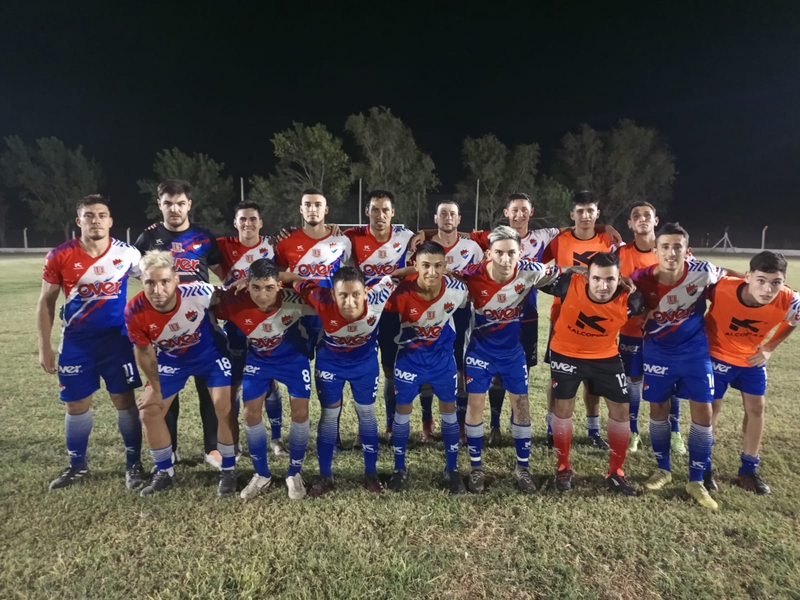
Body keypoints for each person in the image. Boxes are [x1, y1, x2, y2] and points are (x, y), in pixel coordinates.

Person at [471, 192, 621, 447]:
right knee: (495, 375)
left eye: (524, 210)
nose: (520, 214)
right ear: (506, 212)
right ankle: (495, 425)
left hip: (526, 314)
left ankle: (516, 423)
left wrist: (603, 226)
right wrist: (426, 234)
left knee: (521, 372)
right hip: (496, 315)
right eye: (514, 209)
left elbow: (574, 226)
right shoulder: (492, 237)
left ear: (531, 212)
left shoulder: (545, 236)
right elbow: (457, 233)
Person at [38, 195, 145, 490]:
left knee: (124, 401)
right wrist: (45, 347)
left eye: (101, 215)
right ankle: (77, 465)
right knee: (76, 405)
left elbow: (154, 282)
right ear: (79, 221)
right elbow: (46, 303)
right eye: (89, 215)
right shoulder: (59, 255)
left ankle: (133, 464)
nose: (95, 220)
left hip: (117, 342)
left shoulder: (128, 254)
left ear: (110, 221)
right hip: (76, 343)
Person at [631, 222, 738, 509]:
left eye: (677, 246)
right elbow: (619, 294)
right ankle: (663, 470)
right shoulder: (640, 278)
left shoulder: (702, 272)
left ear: (686, 250)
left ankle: (696, 479)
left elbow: (735, 280)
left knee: (703, 411)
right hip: (657, 353)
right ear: (656, 250)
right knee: (657, 409)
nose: (671, 252)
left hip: (695, 353)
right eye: (665, 246)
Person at [124, 251, 236, 497]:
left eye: (164, 281)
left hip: (212, 357)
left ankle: (229, 469)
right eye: (150, 283)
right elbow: (143, 351)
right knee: (149, 411)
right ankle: (165, 471)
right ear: (141, 282)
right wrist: (155, 386)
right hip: (172, 360)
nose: (158, 289)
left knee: (223, 407)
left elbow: (228, 297)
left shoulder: (198, 292)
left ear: (176, 280)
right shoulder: (134, 310)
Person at [459, 226, 561, 494]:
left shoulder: (530, 270)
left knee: (522, 408)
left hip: (513, 354)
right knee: (475, 406)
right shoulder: (471, 274)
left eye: (511, 253)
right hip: (479, 352)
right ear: (488, 253)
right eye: (499, 253)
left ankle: (522, 468)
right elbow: (439, 276)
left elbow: (566, 272)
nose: (505, 259)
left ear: (521, 252)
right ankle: (476, 467)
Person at [133, 179, 222, 468]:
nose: (175, 208)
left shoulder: (205, 237)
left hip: (201, 324)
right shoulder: (147, 240)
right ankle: (170, 449)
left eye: (180, 203)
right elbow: (139, 276)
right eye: (168, 203)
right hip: (164, 327)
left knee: (208, 387)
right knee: (165, 386)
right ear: (160, 204)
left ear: (189, 205)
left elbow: (223, 271)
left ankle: (212, 448)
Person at [291, 266, 397, 497]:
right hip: (330, 365)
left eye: (356, 294)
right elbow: (293, 279)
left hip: (365, 367)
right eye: (343, 295)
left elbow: (403, 273)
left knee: (366, 414)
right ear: (333, 294)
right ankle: (325, 476)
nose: (349, 302)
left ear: (366, 292)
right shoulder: (319, 296)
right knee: (329, 415)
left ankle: (371, 474)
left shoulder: (379, 294)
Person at [214, 259, 314, 500]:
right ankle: (262, 474)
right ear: (247, 284)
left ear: (279, 285)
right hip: (258, 361)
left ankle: (294, 473)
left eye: (269, 287)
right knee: (250, 413)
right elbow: (205, 307)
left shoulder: (295, 299)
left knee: (300, 414)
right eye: (256, 287)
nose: (262, 294)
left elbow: (314, 284)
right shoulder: (234, 302)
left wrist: (290, 278)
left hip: (293, 361)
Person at [547, 253, 643, 495]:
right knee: (563, 408)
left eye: (610, 279)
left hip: (605, 356)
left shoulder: (632, 299)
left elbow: (646, 312)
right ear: (586, 276)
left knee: (622, 409)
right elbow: (536, 274)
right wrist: (574, 270)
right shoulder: (569, 283)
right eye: (597, 278)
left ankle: (616, 471)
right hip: (566, 353)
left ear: (619, 278)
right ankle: (563, 466)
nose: (603, 286)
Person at [705, 251, 799, 494]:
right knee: (711, 407)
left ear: (784, 282)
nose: (768, 289)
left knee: (756, 408)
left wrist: (770, 346)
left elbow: (792, 320)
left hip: (750, 358)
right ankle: (703, 465)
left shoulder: (790, 299)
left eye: (775, 282)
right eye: (761, 280)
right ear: (748, 277)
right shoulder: (722, 289)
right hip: (716, 354)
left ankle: (748, 469)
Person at [384, 241, 469, 493]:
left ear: (445, 266)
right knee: (402, 413)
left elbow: (467, 303)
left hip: (443, 361)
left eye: (437, 266)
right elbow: (381, 286)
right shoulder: (398, 294)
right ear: (415, 266)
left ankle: (451, 469)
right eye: (425, 266)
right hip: (410, 359)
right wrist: (404, 272)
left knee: (449, 412)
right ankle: (399, 469)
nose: (432, 272)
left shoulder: (457, 290)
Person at [344, 190, 423, 440]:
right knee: (362, 371)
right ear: (367, 211)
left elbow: (423, 254)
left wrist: (425, 233)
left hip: (393, 315)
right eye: (375, 209)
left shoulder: (406, 236)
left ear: (393, 213)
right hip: (362, 316)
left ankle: (390, 426)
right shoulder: (351, 238)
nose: (380, 215)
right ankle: (362, 429)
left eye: (385, 210)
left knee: (391, 371)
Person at [541, 190, 616, 450]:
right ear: (572, 214)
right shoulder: (559, 240)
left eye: (590, 211)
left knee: (593, 381)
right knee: (557, 377)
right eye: (580, 211)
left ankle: (593, 431)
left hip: (599, 319)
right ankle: (552, 428)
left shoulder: (608, 240)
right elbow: (539, 269)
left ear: (597, 213)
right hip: (562, 318)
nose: (585, 215)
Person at [216, 201, 287, 457]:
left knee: (271, 381)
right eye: (242, 219)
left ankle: (276, 439)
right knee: (235, 383)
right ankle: (235, 443)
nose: (248, 224)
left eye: (252, 219)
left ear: (261, 222)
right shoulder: (222, 245)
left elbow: (284, 272)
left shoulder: (272, 246)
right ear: (235, 222)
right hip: (236, 322)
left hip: (269, 320)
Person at [617, 202, 685, 454]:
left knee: (671, 384)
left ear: (656, 221)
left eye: (647, 215)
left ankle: (674, 431)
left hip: (668, 334)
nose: (642, 219)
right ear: (630, 224)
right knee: (632, 382)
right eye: (636, 215)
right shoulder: (621, 253)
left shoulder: (671, 251)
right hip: (632, 330)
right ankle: (633, 431)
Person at [429, 200, 484, 443]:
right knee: (431, 367)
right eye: (443, 214)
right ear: (436, 218)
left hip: (461, 314)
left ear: (459, 219)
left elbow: (481, 278)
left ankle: (461, 425)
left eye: (452, 214)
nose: (448, 218)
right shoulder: (427, 247)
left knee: (461, 368)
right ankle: (426, 424)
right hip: (432, 314)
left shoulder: (471, 247)